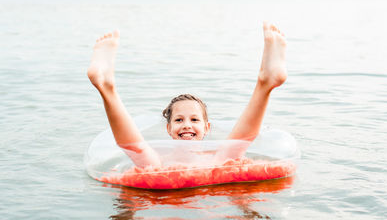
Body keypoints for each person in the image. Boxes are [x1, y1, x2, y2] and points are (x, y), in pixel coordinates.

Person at [87, 22, 287, 167]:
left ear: (207, 127)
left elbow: (240, 141)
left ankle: (266, 82)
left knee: (230, 152)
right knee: (142, 155)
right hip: (163, 172)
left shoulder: (214, 156)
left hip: (210, 169)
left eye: (194, 119)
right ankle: (106, 87)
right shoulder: (161, 158)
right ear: (168, 128)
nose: (187, 125)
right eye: (179, 120)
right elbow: (135, 148)